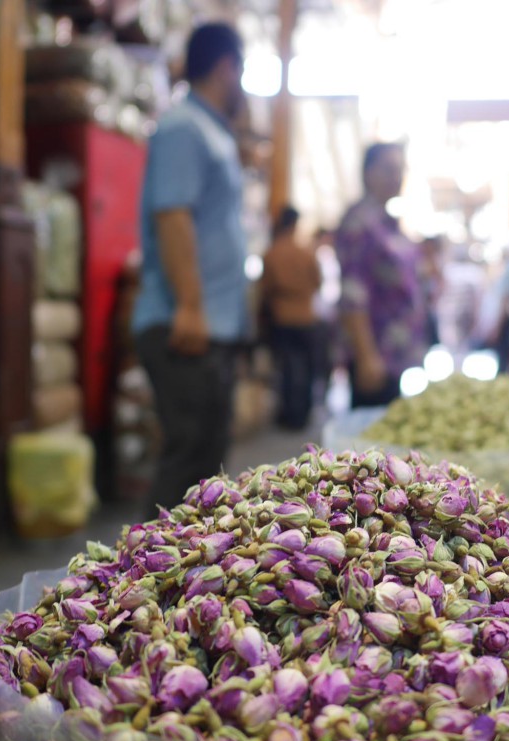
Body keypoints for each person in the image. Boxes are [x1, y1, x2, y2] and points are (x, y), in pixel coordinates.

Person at [131, 22, 249, 509]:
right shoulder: (184, 127)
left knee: (205, 465)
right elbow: (173, 216)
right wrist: (191, 306)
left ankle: (189, 581)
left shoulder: (210, 130)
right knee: (186, 464)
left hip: (206, 326)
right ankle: (140, 580)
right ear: (227, 68)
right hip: (184, 324)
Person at [335, 142, 428, 408]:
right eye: (388, 169)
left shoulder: (386, 222)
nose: (396, 177)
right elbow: (353, 295)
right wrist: (366, 356)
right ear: (367, 173)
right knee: (371, 441)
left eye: (400, 170)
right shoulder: (360, 222)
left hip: (393, 354)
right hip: (375, 355)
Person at [260, 205, 322, 430]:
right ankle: (303, 414)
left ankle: (289, 415)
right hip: (306, 317)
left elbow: (265, 289)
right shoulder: (306, 253)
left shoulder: (272, 253)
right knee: (305, 368)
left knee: (287, 368)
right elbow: (318, 283)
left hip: (283, 318)